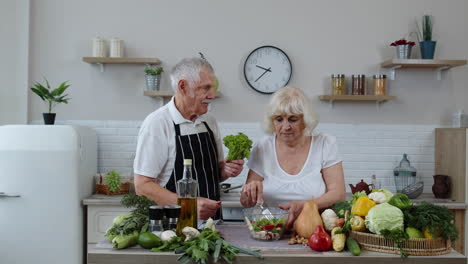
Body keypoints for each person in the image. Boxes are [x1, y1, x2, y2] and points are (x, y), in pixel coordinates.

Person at [133, 57, 244, 220]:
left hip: (211, 226)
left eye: (212, 88)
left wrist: (226, 171)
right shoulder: (158, 123)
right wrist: (188, 205)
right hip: (172, 227)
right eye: (205, 88)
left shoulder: (209, 121)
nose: (212, 95)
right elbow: (142, 186)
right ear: (183, 87)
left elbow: (215, 173)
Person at [240, 86, 345, 228]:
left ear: (305, 120)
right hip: (271, 229)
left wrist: (306, 205)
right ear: (272, 121)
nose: (286, 126)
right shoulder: (263, 146)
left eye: (293, 119)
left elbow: (338, 193)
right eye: (279, 119)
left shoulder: (325, 143)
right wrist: (249, 192)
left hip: (315, 230)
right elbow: (246, 201)